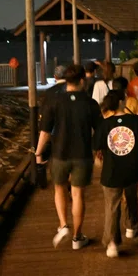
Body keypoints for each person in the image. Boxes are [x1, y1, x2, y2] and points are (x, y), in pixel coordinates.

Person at [35, 63, 102, 250]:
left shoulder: (54, 102)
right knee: (78, 194)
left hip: (59, 154)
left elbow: (45, 131)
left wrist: (38, 152)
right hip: (82, 156)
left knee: (59, 189)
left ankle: (63, 225)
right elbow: (100, 131)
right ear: (82, 80)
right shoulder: (90, 103)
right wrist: (98, 150)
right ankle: (77, 237)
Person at [94, 91, 138, 258]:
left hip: (112, 170)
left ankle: (112, 243)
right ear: (120, 102)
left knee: (112, 206)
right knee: (131, 196)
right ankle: (132, 226)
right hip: (133, 168)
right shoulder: (135, 120)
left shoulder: (105, 124)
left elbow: (96, 144)